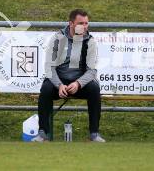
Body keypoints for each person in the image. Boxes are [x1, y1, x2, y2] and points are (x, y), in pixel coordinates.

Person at [32, 9, 105, 142]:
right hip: (59, 83)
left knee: (94, 89)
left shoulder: (90, 42)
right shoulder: (57, 39)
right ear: (71, 23)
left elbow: (92, 71)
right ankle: (43, 133)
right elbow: (49, 67)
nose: (84, 26)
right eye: (80, 23)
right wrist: (59, 85)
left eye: (86, 23)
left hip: (79, 84)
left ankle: (94, 134)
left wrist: (78, 84)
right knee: (46, 89)